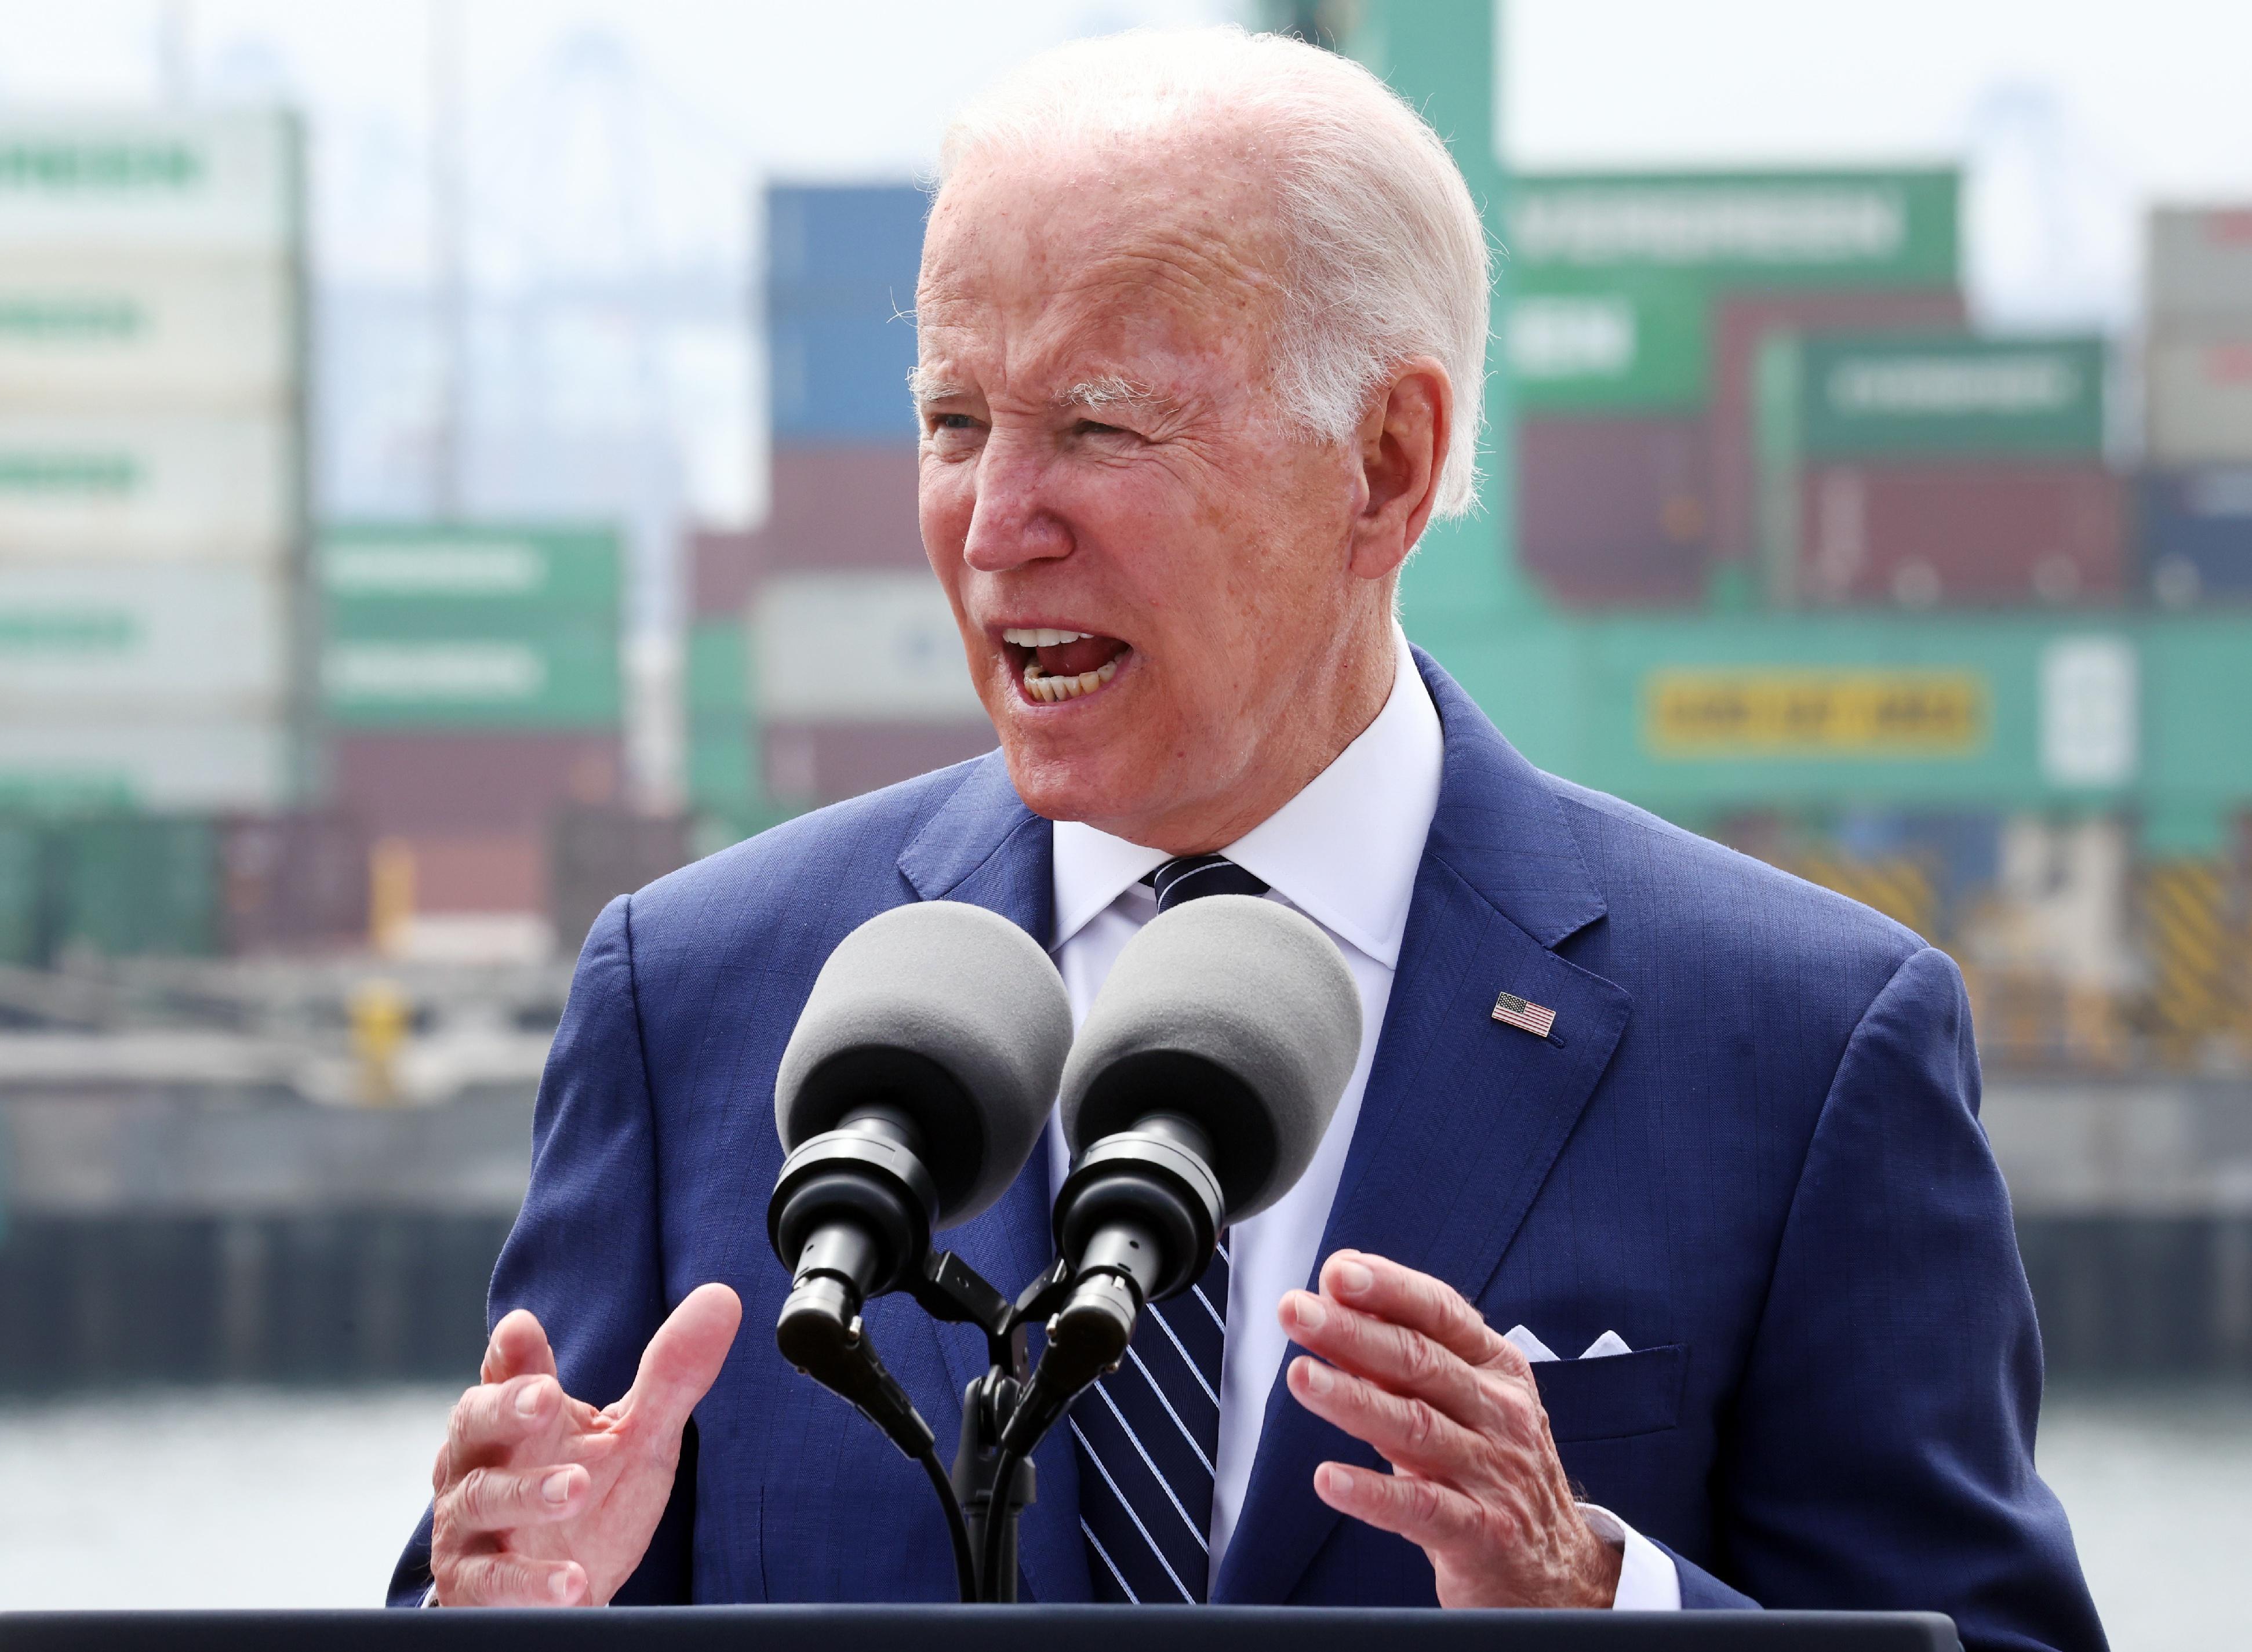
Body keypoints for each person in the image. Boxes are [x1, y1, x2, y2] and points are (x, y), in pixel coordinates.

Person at [390, 27, 2104, 1646]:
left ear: (1385, 462)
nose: (995, 526)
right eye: (953, 421)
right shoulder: (685, 997)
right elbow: (506, 1588)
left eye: (1097, 426)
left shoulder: (1804, 1045)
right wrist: (496, 1615)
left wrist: (1598, 1598)